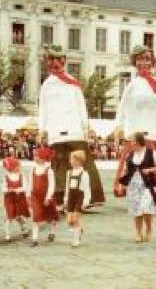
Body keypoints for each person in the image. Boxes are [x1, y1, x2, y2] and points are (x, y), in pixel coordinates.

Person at [38, 44, 104, 207]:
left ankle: (92, 197)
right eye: (51, 59)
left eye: (58, 59)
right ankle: (59, 199)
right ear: (48, 62)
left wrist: (86, 127)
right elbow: (43, 109)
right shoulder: (46, 85)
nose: (55, 63)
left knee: (84, 163)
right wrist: (42, 129)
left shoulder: (73, 82)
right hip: (55, 131)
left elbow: (82, 106)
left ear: (64, 60)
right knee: (59, 167)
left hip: (75, 130)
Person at [114, 45, 156, 202]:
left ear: (152, 62)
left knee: (154, 164)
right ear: (135, 62)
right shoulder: (133, 84)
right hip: (135, 132)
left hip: (153, 133)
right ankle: (133, 193)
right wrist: (119, 126)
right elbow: (123, 106)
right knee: (134, 165)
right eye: (140, 59)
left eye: (147, 59)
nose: (144, 63)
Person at [119, 133, 156, 243]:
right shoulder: (130, 154)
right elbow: (126, 171)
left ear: (139, 141)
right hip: (133, 185)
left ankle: (148, 229)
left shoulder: (151, 152)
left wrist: (149, 170)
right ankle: (138, 232)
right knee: (136, 209)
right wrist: (122, 185)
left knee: (146, 208)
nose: (131, 143)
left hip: (148, 184)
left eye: (133, 141)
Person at [27, 145, 59, 247]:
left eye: (37, 156)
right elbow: (30, 182)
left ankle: (52, 232)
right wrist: (28, 194)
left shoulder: (49, 170)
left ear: (43, 157)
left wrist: (48, 197)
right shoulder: (33, 169)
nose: (35, 158)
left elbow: (52, 185)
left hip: (46, 197)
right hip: (35, 196)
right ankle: (35, 239)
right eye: (35, 156)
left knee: (51, 216)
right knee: (35, 216)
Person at [64, 150, 91, 248]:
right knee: (70, 221)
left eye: (73, 159)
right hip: (71, 196)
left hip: (80, 196)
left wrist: (86, 201)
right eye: (71, 159)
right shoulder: (69, 173)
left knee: (75, 219)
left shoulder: (84, 173)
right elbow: (67, 187)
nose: (71, 161)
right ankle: (79, 230)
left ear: (79, 161)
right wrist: (66, 198)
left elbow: (87, 188)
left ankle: (76, 240)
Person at [2, 154, 30, 242]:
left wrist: (19, 189)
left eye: (19, 166)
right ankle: (7, 234)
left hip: (19, 198)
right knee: (9, 216)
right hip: (9, 198)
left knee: (19, 216)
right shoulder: (6, 177)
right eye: (17, 166)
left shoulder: (21, 176)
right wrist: (8, 190)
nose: (19, 168)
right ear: (12, 167)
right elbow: (3, 188)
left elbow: (26, 186)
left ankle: (24, 228)